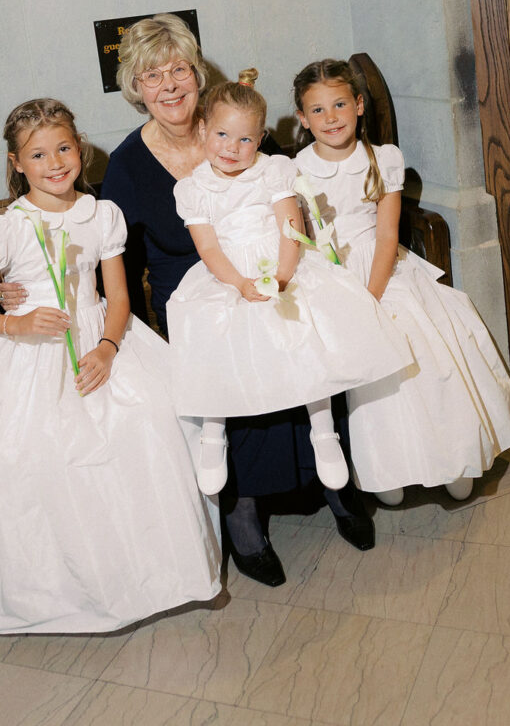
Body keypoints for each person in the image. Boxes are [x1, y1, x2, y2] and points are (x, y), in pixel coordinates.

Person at [98, 14, 378, 588]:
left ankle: (334, 481)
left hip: (271, 267)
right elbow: (113, 261)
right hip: (192, 287)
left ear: (198, 76)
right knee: (232, 353)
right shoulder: (127, 165)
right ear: (136, 88)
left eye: (179, 69)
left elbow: (290, 197)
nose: (170, 85)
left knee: (307, 326)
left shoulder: (237, 124)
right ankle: (243, 508)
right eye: (153, 76)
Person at [0, 98, 220, 634]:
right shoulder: (5, 228)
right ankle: (59, 591)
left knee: (154, 422)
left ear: (81, 149)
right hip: (29, 357)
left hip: (101, 340)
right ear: (17, 164)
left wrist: (109, 347)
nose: (55, 162)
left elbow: (117, 296)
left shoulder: (101, 214)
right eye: (38, 154)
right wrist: (14, 323)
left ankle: (146, 575)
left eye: (64, 147)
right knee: (39, 458)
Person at [166, 70, 413, 498]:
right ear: (203, 129)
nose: (232, 148)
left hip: (282, 260)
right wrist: (241, 284)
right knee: (211, 332)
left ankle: (323, 430)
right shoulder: (193, 189)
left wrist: (282, 276)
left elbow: (291, 227)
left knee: (305, 328)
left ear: (261, 138)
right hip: (227, 271)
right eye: (222, 135)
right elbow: (208, 248)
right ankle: (213, 432)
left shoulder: (273, 171)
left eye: (245, 139)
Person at [292, 59, 510, 505]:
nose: (331, 117)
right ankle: (391, 466)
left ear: (359, 105)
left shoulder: (383, 159)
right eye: (317, 110)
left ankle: (453, 458)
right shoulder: (295, 170)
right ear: (303, 118)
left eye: (340, 104)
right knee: (372, 375)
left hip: (382, 269)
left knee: (424, 348)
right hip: (327, 274)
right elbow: (301, 236)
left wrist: (371, 296)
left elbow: (385, 236)